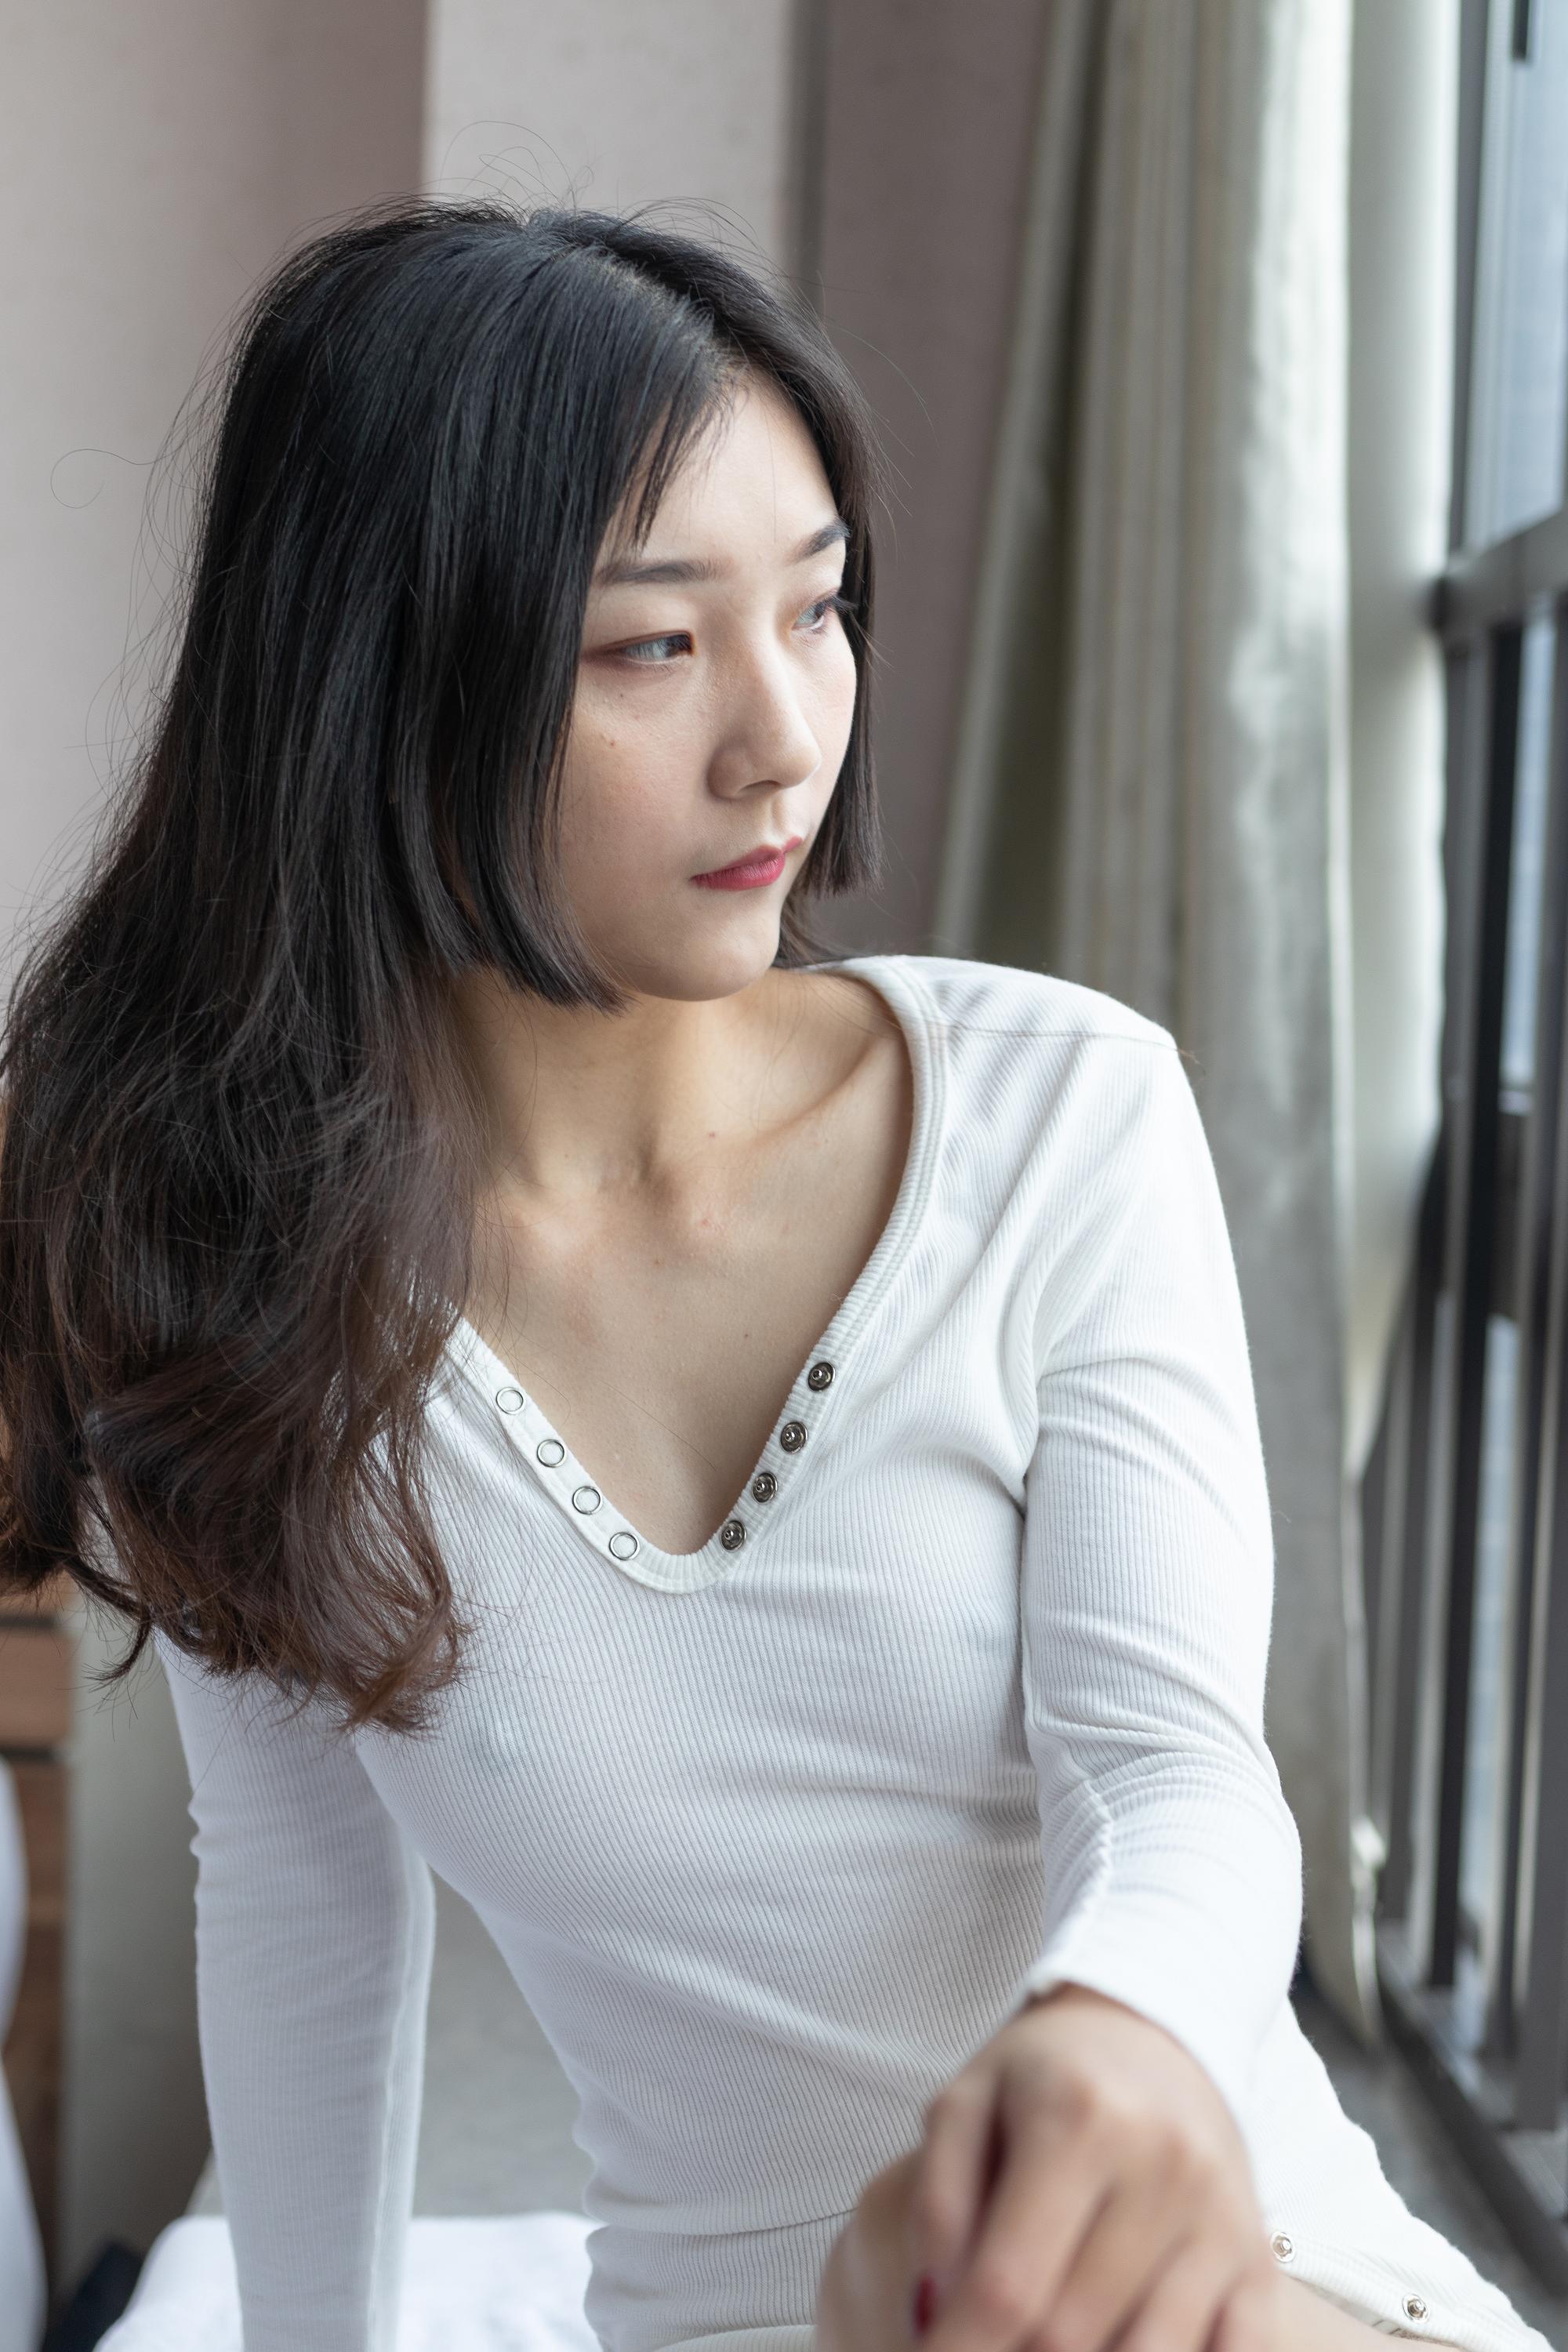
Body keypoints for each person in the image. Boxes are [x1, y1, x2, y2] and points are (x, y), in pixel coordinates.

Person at [0, 196, 1551, 2352]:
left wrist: (1112, 2038)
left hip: (1218, 2272)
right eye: (654, 647)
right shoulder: (229, 1286)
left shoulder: (1058, 1118)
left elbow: (1176, 1771)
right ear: (379, 684)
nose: (783, 738)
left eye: (816, 611)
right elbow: (302, 1911)